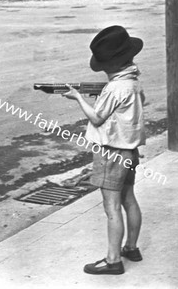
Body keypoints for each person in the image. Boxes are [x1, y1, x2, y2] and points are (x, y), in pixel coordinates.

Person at [62, 25, 145, 275]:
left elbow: (97, 118)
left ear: (109, 65)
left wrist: (78, 97)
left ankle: (113, 260)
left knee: (111, 208)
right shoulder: (133, 82)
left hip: (112, 154)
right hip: (130, 152)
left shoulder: (114, 88)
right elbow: (133, 104)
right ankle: (131, 247)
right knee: (129, 199)